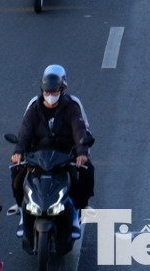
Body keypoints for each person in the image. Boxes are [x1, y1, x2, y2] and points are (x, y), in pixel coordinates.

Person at [10, 66, 93, 237]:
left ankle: (77, 213)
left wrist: (81, 153)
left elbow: (79, 130)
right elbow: (25, 131)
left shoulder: (71, 106)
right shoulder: (34, 107)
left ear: (62, 89)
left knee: (85, 173)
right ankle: (22, 210)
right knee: (17, 176)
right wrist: (19, 151)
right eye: (47, 91)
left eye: (54, 91)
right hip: (38, 156)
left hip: (64, 156)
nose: (50, 94)